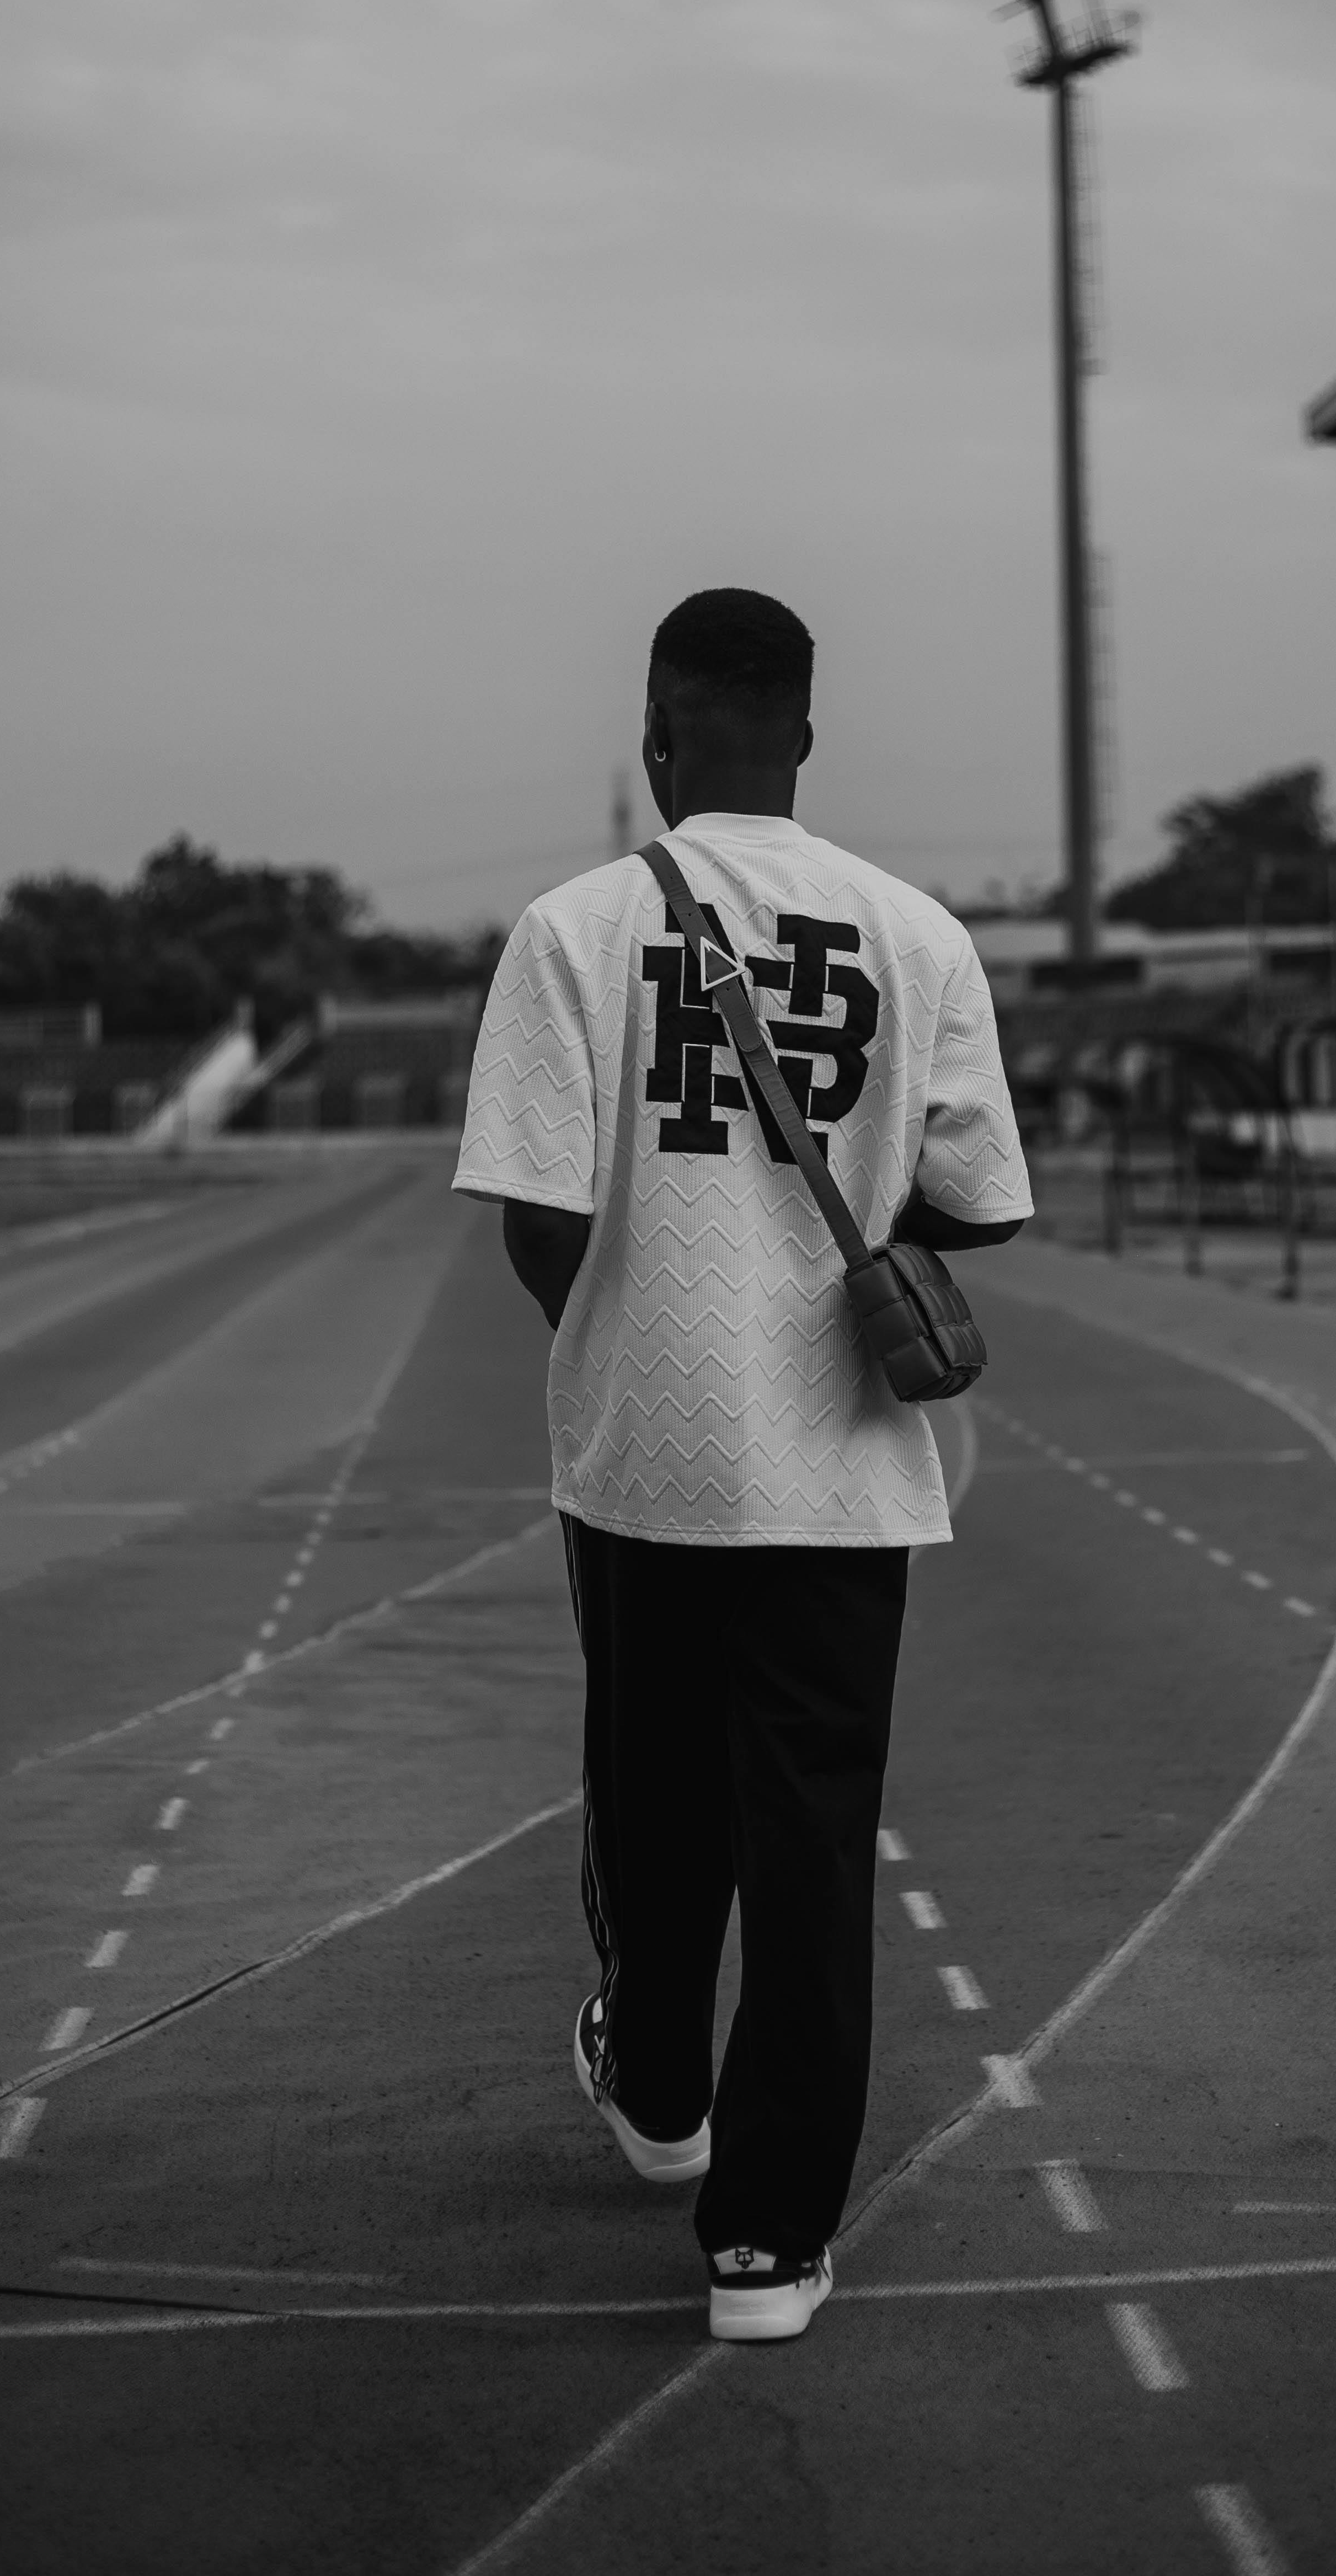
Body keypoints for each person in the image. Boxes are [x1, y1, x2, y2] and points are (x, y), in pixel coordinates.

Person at [453, 587, 1030, 2343]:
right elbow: (977, 1206)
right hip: (843, 1475)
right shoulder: (918, 935)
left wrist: (647, 1329)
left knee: (651, 1807)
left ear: (654, 741)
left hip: (641, 1459)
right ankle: (768, 2243)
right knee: (811, 1840)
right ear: (800, 737)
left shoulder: (568, 928)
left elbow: (538, 1221)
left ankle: (657, 2099)